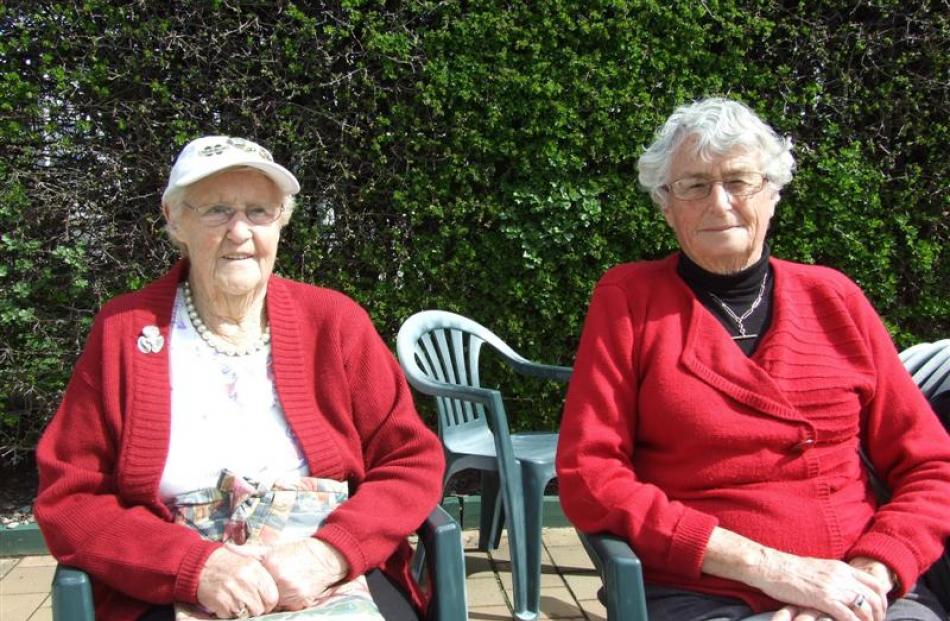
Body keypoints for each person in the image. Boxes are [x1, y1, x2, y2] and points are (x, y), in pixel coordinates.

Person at [556, 98, 950, 621]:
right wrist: (773, 569)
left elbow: (931, 465)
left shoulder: (835, 297)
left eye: (739, 181)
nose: (719, 204)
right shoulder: (629, 300)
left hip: (865, 587)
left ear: (772, 194)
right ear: (665, 204)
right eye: (694, 185)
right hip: (709, 590)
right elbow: (590, 475)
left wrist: (868, 576)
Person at [35, 136, 445, 620]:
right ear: (174, 219)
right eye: (216, 211)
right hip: (176, 575)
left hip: (323, 563)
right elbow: (71, 495)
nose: (239, 232)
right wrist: (194, 566)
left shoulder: (335, 321)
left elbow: (410, 460)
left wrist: (330, 552)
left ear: (281, 222)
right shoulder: (123, 331)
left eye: (258, 212)